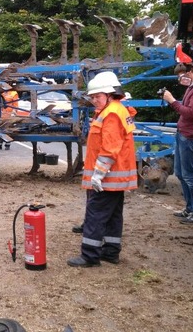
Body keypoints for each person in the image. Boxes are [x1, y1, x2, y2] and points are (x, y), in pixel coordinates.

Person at [67, 71, 137, 267]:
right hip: (115, 178)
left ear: (110, 94)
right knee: (113, 215)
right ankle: (110, 252)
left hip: (107, 178)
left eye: (97, 96)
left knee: (95, 214)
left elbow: (109, 148)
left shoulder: (112, 113)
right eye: (92, 97)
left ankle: (90, 255)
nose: (94, 100)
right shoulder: (114, 110)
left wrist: (98, 175)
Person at [162, 63, 193, 224]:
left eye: (181, 75)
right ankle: (190, 207)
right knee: (180, 173)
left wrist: (172, 100)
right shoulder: (192, 88)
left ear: (189, 72)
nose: (180, 78)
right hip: (183, 134)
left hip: (191, 137)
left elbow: (190, 113)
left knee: (189, 175)